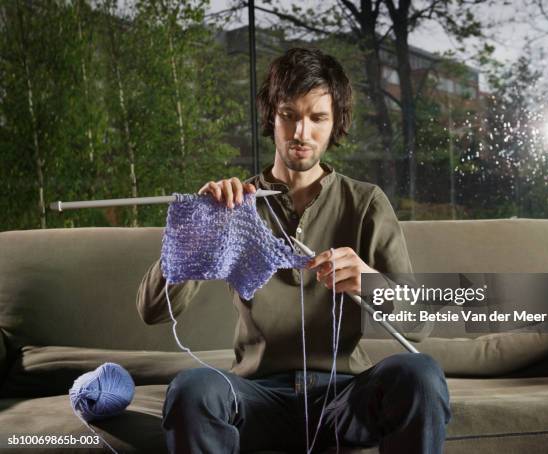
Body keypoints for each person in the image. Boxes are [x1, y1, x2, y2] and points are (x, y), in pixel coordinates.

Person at [137, 47, 451, 454]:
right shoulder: (234, 206)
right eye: (289, 115)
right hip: (253, 396)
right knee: (193, 387)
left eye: (317, 118)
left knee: (420, 373)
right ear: (272, 116)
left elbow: (419, 325)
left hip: (343, 398)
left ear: (335, 122)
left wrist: (372, 284)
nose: (302, 132)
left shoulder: (366, 203)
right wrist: (198, 228)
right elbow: (151, 311)